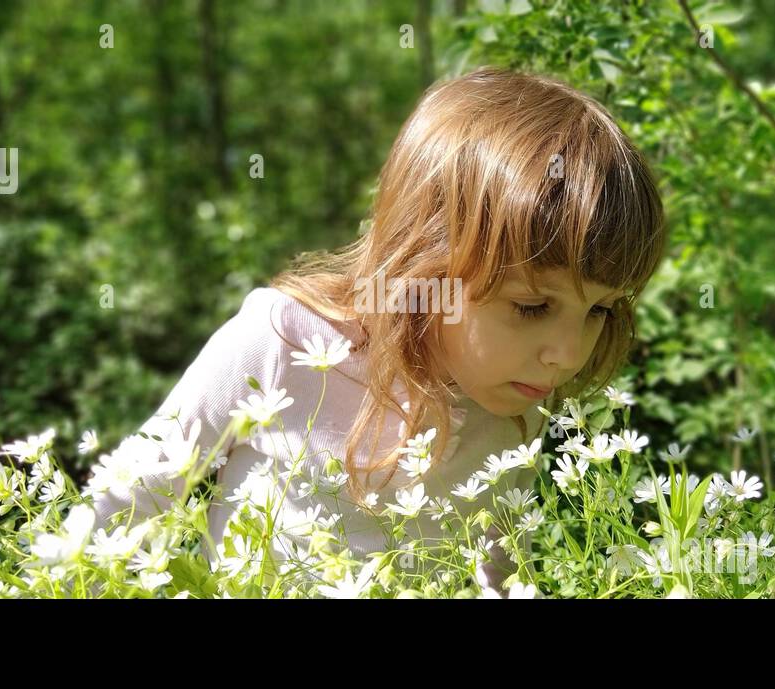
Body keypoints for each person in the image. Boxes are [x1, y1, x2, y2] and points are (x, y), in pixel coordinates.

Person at [86, 66, 667, 596]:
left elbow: (493, 571)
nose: (566, 355)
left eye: (600, 311)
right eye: (533, 306)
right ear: (427, 264)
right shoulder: (282, 342)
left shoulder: (514, 404)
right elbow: (122, 505)